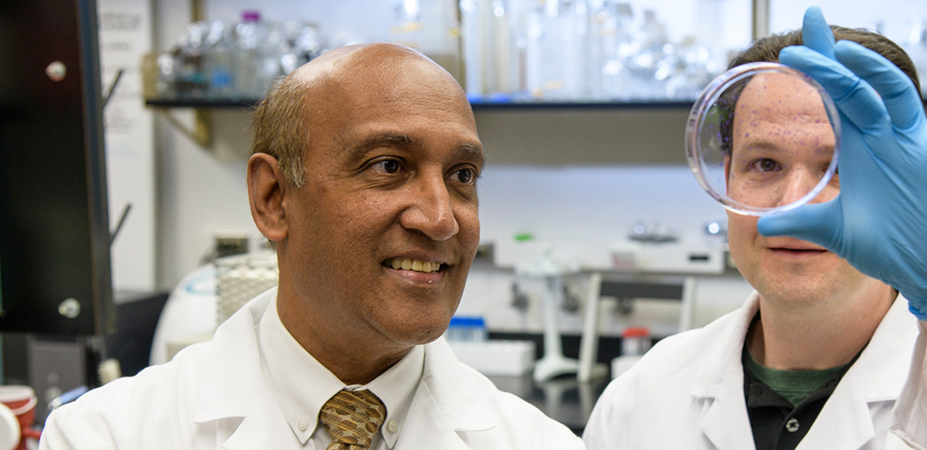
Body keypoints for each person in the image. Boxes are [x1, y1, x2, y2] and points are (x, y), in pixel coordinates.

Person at [584, 8, 927, 450]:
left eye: (840, 166)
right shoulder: (642, 398)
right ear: (726, 180)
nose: (795, 202)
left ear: (906, 186)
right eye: (765, 165)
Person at [40, 43, 585, 450]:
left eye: (462, 175)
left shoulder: (541, 443)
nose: (442, 219)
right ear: (273, 199)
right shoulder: (105, 436)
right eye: (388, 166)